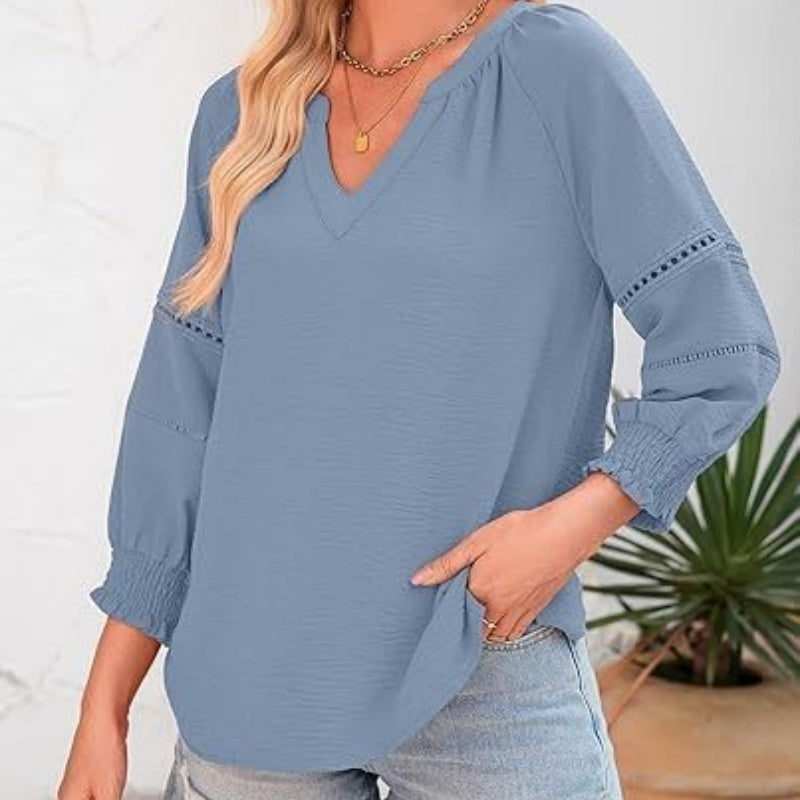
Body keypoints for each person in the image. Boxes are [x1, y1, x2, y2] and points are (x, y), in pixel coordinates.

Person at [58, 0, 781, 798]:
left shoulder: (556, 69)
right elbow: (176, 419)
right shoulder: (242, 113)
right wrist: (104, 708)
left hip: (480, 660)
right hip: (252, 675)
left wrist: (566, 529)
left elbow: (724, 346)